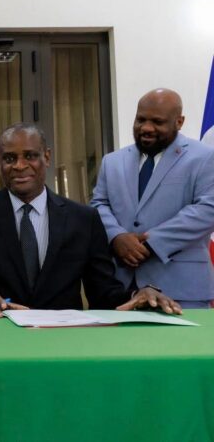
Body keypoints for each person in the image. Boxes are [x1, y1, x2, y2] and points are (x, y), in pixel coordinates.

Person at [0, 122, 182, 317]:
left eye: (30, 156)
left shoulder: (84, 219)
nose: (19, 166)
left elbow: (103, 293)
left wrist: (138, 296)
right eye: (10, 158)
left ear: (46, 157)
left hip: (64, 341)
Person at [91, 89, 214, 308]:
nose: (146, 128)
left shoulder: (204, 157)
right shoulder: (112, 161)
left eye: (157, 122)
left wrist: (151, 243)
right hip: (121, 288)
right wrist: (117, 237)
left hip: (182, 290)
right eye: (141, 120)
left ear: (179, 122)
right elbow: (99, 204)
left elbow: (208, 209)